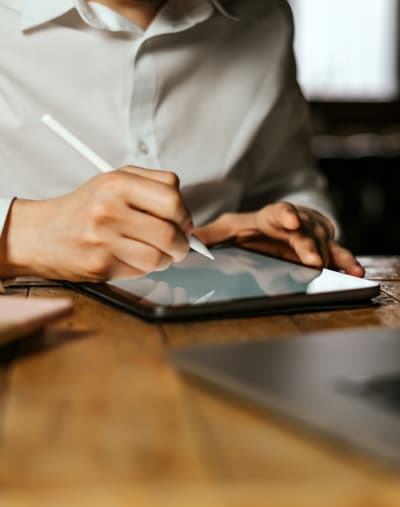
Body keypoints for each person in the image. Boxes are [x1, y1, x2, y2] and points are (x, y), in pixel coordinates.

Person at [0, 0, 364, 287]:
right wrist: (22, 237)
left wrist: (297, 227)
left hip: (228, 318)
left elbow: (288, 182)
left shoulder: (264, 18)